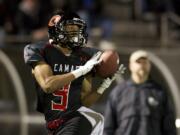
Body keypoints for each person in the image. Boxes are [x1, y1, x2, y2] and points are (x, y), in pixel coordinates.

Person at [24, 10, 118, 135]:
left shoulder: (85, 56)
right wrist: (81, 70)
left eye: (78, 28)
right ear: (56, 29)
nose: (76, 32)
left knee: (96, 119)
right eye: (70, 28)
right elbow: (48, 85)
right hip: (55, 122)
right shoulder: (41, 50)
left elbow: (83, 103)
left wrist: (102, 87)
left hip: (74, 119)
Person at [103, 50, 177, 135]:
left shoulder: (160, 92)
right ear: (130, 65)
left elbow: (169, 128)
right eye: (138, 62)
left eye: (145, 62)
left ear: (149, 65)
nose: (142, 65)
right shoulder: (118, 93)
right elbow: (108, 128)